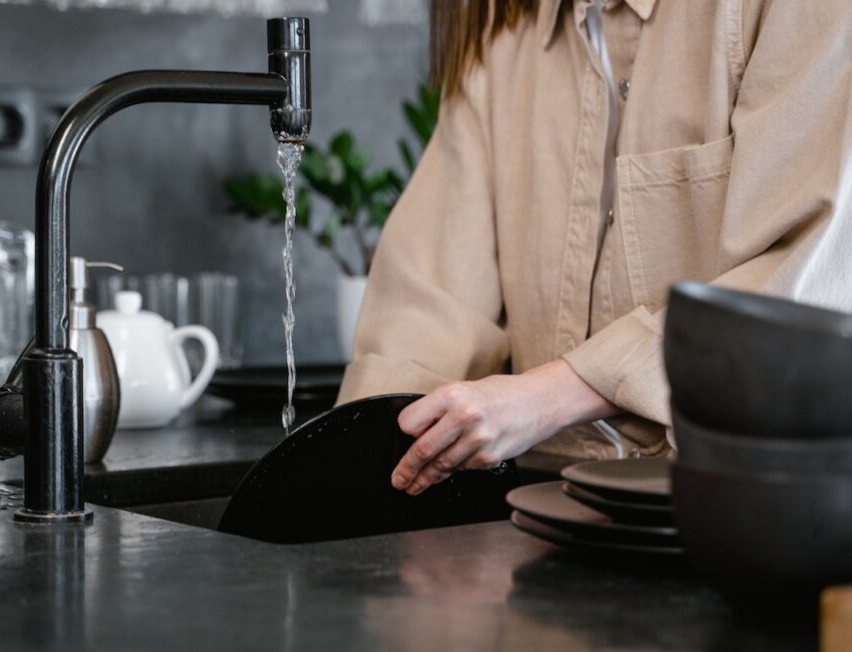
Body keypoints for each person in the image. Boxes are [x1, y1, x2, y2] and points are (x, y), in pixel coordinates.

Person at [336, 0, 852, 496]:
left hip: (749, 512)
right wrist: (373, 457)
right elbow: (428, 300)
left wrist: (548, 398)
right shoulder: (502, 23)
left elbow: (796, 296)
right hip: (539, 524)